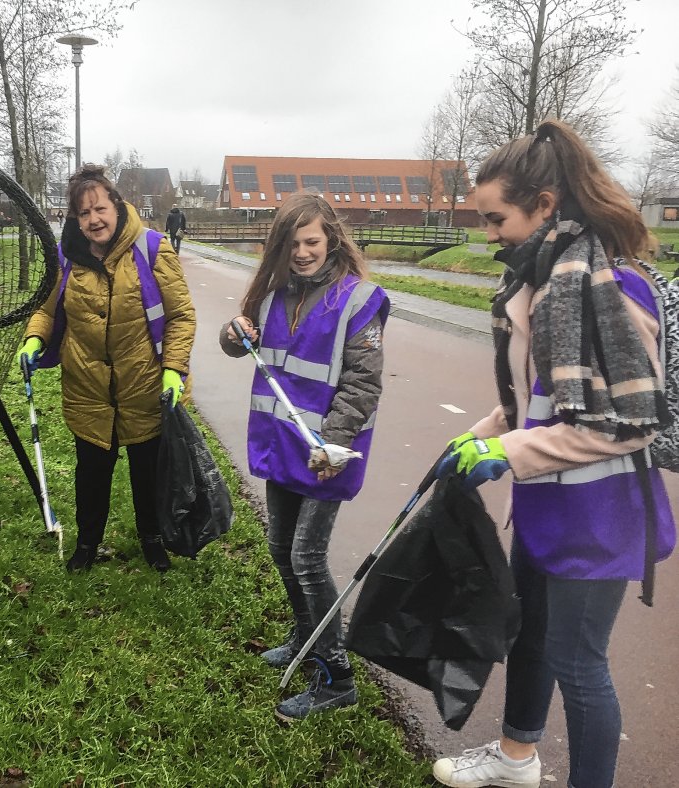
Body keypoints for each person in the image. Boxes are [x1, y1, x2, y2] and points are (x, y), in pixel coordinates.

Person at [431, 120, 676, 788]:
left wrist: (505, 452)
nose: (489, 234)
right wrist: (479, 434)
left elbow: (626, 426)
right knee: (529, 636)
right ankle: (516, 759)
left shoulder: (612, 289)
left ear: (544, 204)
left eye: (495, 218)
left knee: (578, 664)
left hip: (600, 518)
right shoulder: (536, 284)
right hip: (544, 507)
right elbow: (531, 398)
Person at [220, 191, 388, 722]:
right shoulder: (272, 295)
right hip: (282, 444)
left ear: (331, 238)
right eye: (291, 244)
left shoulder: (359, 301)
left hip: (326, 453)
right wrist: (233, 333)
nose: (302, 252)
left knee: (307, 558)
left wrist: (332, 443)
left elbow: (364, 383)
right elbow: (239, 342)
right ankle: (305, 636)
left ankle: (336, 676)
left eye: (311, 241)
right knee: (279, 548)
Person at [16, 165, 196, 573]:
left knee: (147, 471)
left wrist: (174, 368)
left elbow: (181, 316)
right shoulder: (66, 256)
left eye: (99, 209)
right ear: (75, 219)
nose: (93, 219)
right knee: (92, 472)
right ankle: (87, 544)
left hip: (145, 384)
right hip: (87, 386)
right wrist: (34, 339)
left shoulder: (152, 248)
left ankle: (153, 539)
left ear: (116, 205)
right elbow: (46, 310)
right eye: (84, 213)